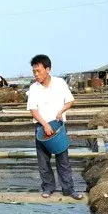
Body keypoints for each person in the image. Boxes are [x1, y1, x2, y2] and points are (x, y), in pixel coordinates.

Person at [26, 54, 83, 200]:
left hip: (58, 127)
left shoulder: (60, 83)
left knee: (63, 159)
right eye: (34, 71)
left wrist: (61, 111)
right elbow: (33, 110)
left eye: (38, 71)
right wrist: (45, 125)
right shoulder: (34, 88)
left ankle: (68, 189)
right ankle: (48, 188)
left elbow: (70, 101)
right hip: (41, 127)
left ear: (48, 69)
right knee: (43, 161)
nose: (36, 74)